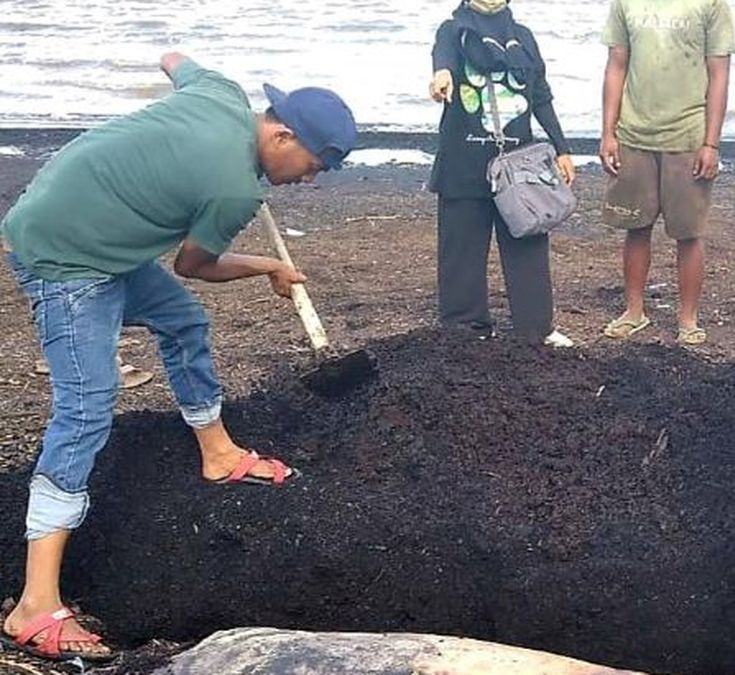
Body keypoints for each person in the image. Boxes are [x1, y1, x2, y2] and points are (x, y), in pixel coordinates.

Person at [0, 52, 356, 661]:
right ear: (282, 134)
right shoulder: (232, 189)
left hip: (100, 232)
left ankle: (218, 453)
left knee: (183, 321)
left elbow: (174, 60)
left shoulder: (220, 89)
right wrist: (269, 265)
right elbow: (195, 265)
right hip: (63, 253)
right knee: (86, 408)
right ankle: (34, 604)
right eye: (312, 165)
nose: (310, 180)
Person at [428, 0, 576, 348]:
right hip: (463, 162)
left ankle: (535, 328)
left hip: (519, 166)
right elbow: (443, 61)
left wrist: (563, 148)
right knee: (461, 248)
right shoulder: (452, 31)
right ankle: (465, 328)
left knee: (527, 239)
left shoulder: (522, 37)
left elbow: (540, 96)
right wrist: (441, 77)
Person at [599, 0, 735, 346]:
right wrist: (608, 132)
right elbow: (616, 65)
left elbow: (719, 73)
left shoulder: (712, 4)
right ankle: (634, 311)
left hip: (688, 137)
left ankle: (688, 319)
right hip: (634, 134)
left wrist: (711, 143)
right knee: (635, 226)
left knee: (689, 234)